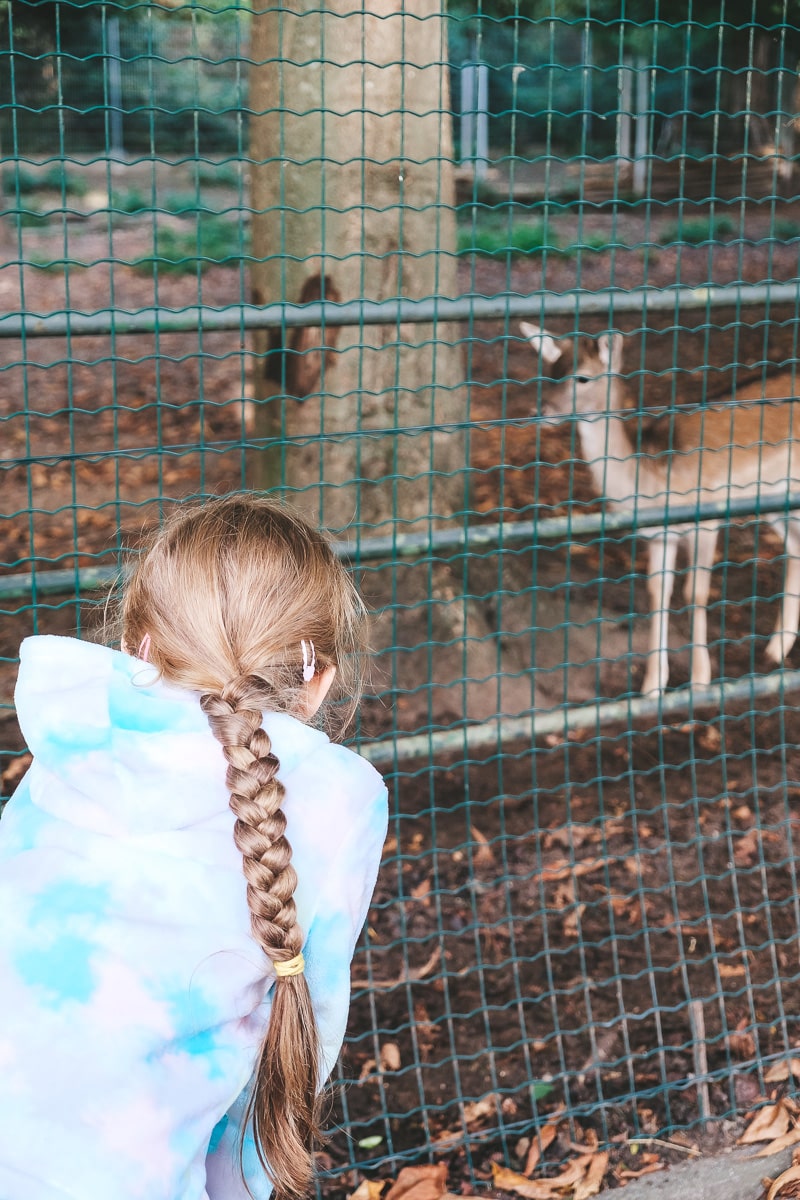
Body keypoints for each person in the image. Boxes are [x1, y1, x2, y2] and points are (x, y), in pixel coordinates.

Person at [0, 494, 389, 1200]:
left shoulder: (72, 739)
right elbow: (302, 1034)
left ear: (135, 648)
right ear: (319, 678)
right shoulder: (335, 800)